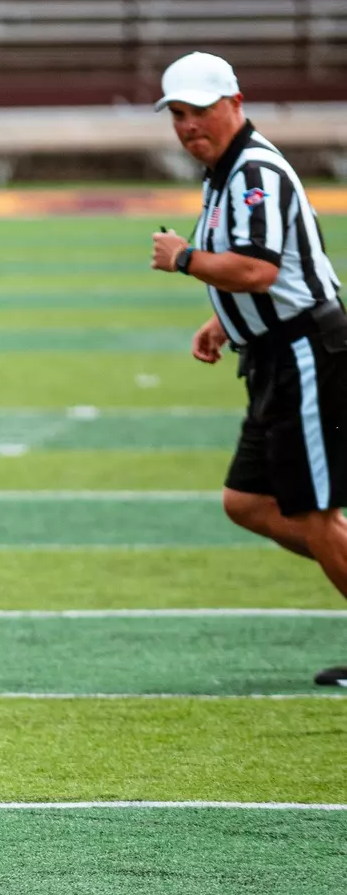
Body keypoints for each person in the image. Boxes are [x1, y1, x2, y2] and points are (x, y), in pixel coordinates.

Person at [150, 52, 347, 688]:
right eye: (178, 114)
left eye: (199, 111)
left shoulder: (252, 171)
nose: (188, 125)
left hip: (303, 356)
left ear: (234, 101)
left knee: (314, 514)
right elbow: (264, 274)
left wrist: (185, 260)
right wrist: (225, 319)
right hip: (272, 352)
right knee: (248, 502)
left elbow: (259, 269)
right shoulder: (224, 171)